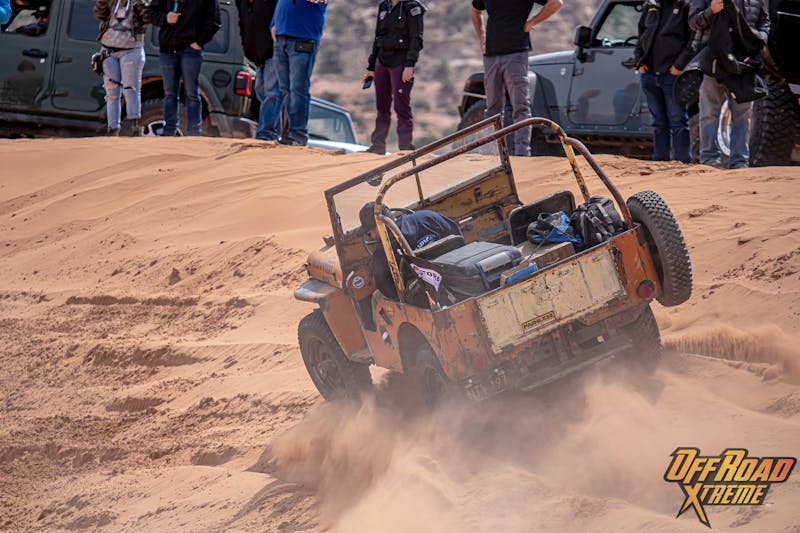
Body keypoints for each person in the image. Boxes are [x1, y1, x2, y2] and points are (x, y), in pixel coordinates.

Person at [471, 0, 562, 157]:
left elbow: (556, 3)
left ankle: (522, 154)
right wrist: (482, 38)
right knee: (492, 109)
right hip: (491, 54)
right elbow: (475, 10)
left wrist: (532, 22)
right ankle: (494, 154)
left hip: (516, 53)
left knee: (520, 106)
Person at [689, 0, 769, 168]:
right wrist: (711, 10)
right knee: (709, 113)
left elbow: (765, 22)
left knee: (743, 115)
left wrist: (757, 37)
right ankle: (710, 160)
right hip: (712, 61)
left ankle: (739, 162)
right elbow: (693, 22)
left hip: (744, 63)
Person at [359, 201, 462, 299]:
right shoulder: (427, 217)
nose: (372, 237)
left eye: (369, 233)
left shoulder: (381, 253)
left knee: (376, 297)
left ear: (378, 227)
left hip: (423, 296)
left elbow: (388, 291)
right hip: (457, 274)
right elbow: (458, 237)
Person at [147, 0, 220, 136]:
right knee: (169, 93)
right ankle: (169, 130)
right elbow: (150, 13)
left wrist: (199, 42)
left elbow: (214, 21)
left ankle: (194, 132)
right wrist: (165, 18)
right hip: (167, 50)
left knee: (192, 93)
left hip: (191, 51)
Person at [634, 0, 694, 163]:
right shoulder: (650, 5)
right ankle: (660, 161)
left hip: (672, 74)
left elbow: (693, 39)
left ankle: (682, 162)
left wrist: (679, 66)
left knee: (678, 120)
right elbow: (641, 36)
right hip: (650, 73)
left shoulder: (685, 6)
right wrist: (639, 61)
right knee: (658, 122)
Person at [363, 0, 426, 154]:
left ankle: (405, 148)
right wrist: (371, 67)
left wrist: (410, 65)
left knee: (401, 107)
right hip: (382, 61)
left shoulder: (412, 7)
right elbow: (377, 37)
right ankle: (377, 146)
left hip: (401, 63)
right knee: (382, 107)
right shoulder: (383, 6)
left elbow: (416, 38)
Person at [266, 0, 328, 146]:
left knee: (298, 88)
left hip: (303, 38)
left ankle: (298, 135)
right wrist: (274, 25)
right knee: (285, 89)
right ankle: (288, 135)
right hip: (282, 37)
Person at [95, 0, 150, 136]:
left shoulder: (138, 3)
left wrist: (139, 3)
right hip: (109, 50)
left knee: (131, 88)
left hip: (131, 50)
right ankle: (113, 128)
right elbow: (98, 13)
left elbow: (147, 18)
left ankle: (134, 127)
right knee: (112, 93)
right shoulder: (111, 3)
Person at [235, 0, 281, 141]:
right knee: (261, 91)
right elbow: (242, 23)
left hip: (273, 51)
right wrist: (246, 46)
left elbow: (279, 18)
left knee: (272, 93)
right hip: (256, 53)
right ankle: (273, 132)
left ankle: (265, 133)